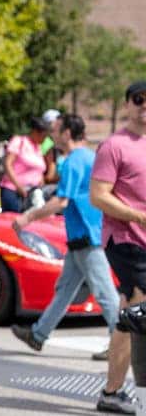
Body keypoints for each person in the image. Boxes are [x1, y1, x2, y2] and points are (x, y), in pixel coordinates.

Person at [9, 115, 122, 382]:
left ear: (68, 133)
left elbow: (61, 202)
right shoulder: (89, 157)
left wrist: (27, 218)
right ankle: (38, 335)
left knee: (105, 294)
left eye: (57, 131)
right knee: (65, 290)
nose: (52, 135)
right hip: (85, 234)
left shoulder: (73, 161)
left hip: (86, 235)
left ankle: (121, 342)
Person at [90, 81, 146, 414]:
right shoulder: (114, 146)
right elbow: (99, 195)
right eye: (138, 100)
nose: (144, 105)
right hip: (125, 241)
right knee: (138, 313)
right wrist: (137, 216)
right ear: (126, 104)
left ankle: (112, 392)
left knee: (129, 318)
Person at [0, 116, 50, 213]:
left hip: (31, 194)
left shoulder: (37, 148)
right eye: (43, 136)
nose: (44, 139)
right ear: (35, 132)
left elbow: (39, 169)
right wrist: (19, 187)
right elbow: (8, 164)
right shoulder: (19, 141)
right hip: (13, 191)